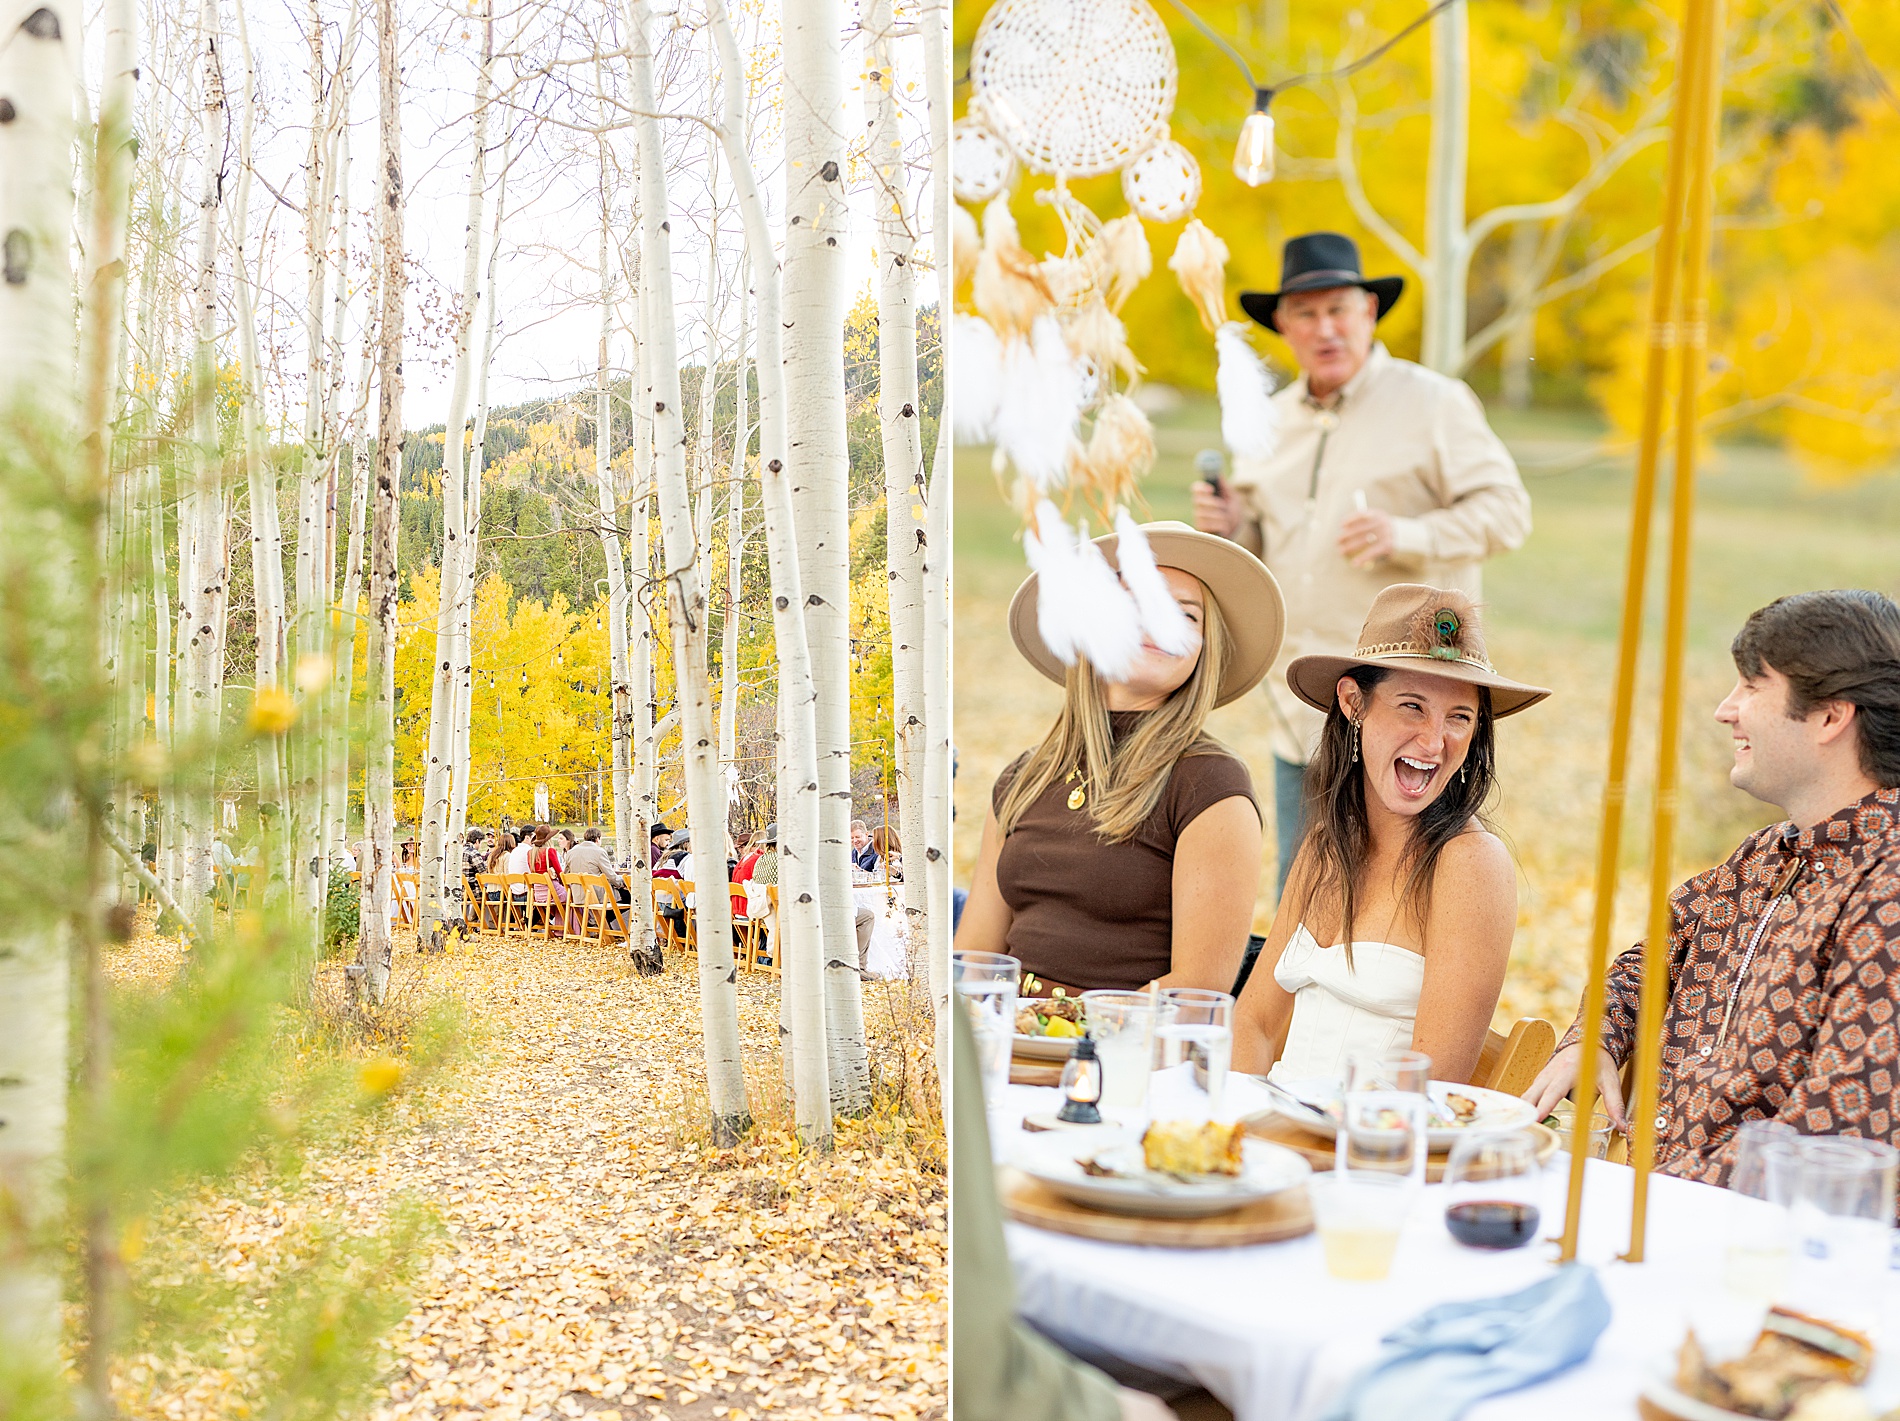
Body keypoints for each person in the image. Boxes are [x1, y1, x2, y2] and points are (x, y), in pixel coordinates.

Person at [1193, 231, 1532, 899]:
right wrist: (1238, 526)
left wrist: (1406, 532)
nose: (1326, 328)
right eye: (1307, 314)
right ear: (1283, 326)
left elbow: (1508, 511)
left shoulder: (1433, 402)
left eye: (1339, 309)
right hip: (1309, 707)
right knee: (1305, 897)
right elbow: (1271, 536)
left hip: (1411, 711)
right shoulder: (1271, 422)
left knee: (1403, 903)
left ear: (1369, 314)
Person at [1526, 590, 1900, 1188]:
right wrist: (1594, 1036)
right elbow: (1651, 958)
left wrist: (1658, 1194)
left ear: (1831, 716)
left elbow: (1836, 1134)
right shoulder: (1766, 855)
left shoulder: (1886, 890)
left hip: (1767, 1249)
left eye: (1753, 686)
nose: (1726, 710)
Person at [1229, 586, 1549, 1084]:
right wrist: (1232, 1128)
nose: (1433, 741)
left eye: (1459, 718)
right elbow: (1256, 1024)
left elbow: (1431, 1083)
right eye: (1412, 706)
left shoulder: (1470, 863)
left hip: (1372, 1149)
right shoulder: (1324, 847)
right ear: (1354, 703)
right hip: (1270, 1135)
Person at [958, 521, 1283, 996]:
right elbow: (975, 960)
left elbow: (1196, 992)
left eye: (1186, 616)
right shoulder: (1023, 778)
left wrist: (1065, 1030)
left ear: (1201, 652)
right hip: (1001, 1040)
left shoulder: (1209, 783)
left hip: (1119, 1053)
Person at [565, 826, 629, 905]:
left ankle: (602, 917)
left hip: (577, 897)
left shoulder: (571, 852)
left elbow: (566, 874)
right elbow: (611, 876)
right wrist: (623, 883)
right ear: (597, 839)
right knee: (629, 896)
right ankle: (611, 917)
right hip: (598, 897)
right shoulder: (599, 852)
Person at [526, 824, 568, 933]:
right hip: (550, 891)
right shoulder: (549, 851)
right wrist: (565, 884)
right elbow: (559, 872)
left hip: (538, 893)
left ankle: (539, 917)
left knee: (559, 897)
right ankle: (566, 928)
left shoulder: (530, 853)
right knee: (571, 895)